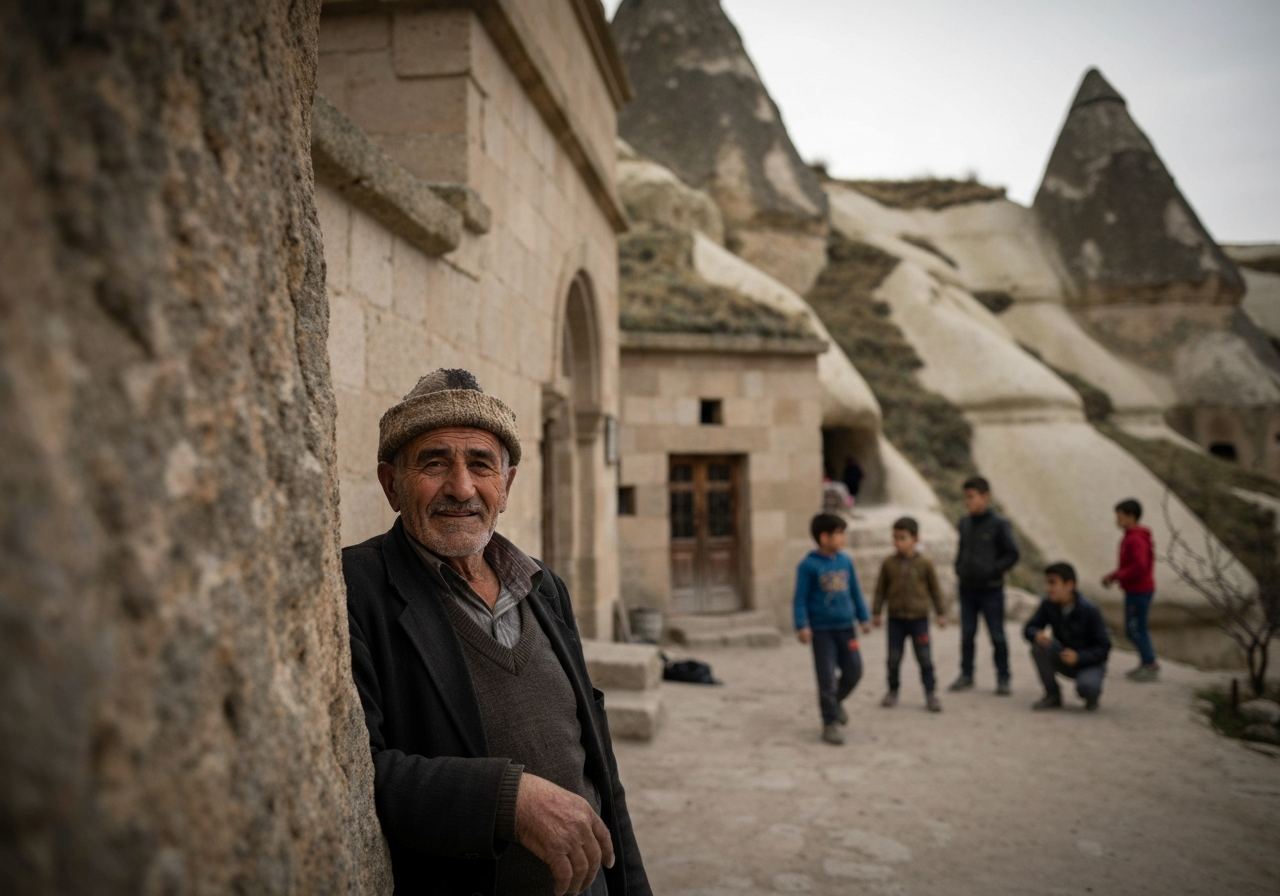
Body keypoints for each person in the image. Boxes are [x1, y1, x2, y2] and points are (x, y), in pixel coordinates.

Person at [344, 369, 649, 896]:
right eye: (433, 463)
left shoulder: (544, 588)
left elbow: (599, 766)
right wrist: (507, 800)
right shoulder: (356, 588)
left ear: (505, 486)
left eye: (481, 464)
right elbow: (354, 770)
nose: (461, 488)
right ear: (391, 485)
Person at [793, 513, 871, 745]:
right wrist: (802, 625)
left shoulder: (845, 561)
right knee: (826, 678)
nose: (843, 537)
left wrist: (863, 617)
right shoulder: (808, 566)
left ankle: (835, 703)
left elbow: (855, 591)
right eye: (838, 533)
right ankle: (829, 723)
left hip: (846, 628)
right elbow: (800, 598)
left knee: (854, 670)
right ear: (824, 537)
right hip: (822, 631)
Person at [949, 477, 1020, 695]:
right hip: (967, 589)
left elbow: (1012, 554)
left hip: (991, 590)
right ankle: (966, 674)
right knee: (967, 634)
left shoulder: (999, 524)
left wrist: (993, 570)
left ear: (985, 497)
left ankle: (1003, 677)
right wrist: (959, 567)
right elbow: (962, 549)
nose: (967, 502)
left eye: (971, 497)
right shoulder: (965, 523)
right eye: (965, 497)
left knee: (997, 635)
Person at [872, 517, 948, 712]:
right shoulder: (889, 563)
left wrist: (940, 613)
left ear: (915, 538)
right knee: (893, 658)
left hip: (918, 620)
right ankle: (893, 690)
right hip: (896, 620)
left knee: (924, 657)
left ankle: (930, 693)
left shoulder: (925, 563)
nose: (898, 542)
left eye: (902, 538)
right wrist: (876, 612)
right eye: (895, 538)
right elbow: (880, 590)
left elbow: (935, 590)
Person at [1025, 562, 1112, 711]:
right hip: (1062, 655)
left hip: (1088, 662)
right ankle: (1053, 695)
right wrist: (1036, 634)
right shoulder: (1049, 604)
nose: (1048, 588)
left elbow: (1104, 648)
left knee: (1088, 687)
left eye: (1053, 583)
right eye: (1047, 583)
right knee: (1038, 646)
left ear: (1069, 585)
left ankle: (1091, 695)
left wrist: (1078, 657)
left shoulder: (1089, 610)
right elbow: (1029, 628)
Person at [1102, 498, 1158, 681]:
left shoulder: (1136, 539)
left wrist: (1119, 576)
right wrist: (1113, 576)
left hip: (1139, 591)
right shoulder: (1131, 537)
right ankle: (1146, 662)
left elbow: (1139, 565)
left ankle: (1150, 664)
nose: (1117, 521)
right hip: (1134, 590)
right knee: (1134, 628)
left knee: (1136, 629)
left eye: (1120, 517)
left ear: (1131, 517)